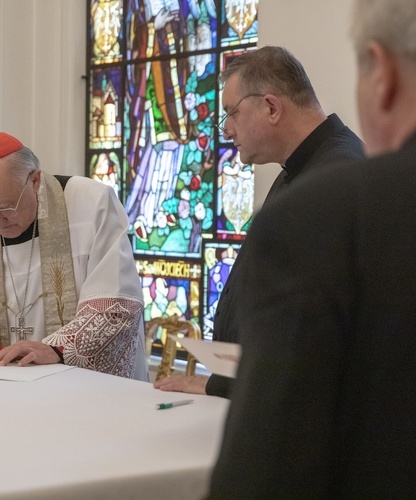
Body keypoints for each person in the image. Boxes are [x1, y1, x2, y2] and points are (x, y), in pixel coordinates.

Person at [209, 0, 416, 496]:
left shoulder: (330, 210)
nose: (227, 130)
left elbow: (270, 463)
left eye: (231, 115)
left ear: (383, 73)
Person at [154, 46, 364, 398]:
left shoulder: (335, 176)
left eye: (231, 114)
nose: (227, 131)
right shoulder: (301, 169)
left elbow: (310, 326)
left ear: (271, 107)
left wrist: (221, 385)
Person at [0, 130, 148, 381]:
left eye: (4, 208)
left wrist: (55, 348)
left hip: (84, 388)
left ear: (34, 180)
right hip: (4, 387)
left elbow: (115, 307)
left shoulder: (91, 204)